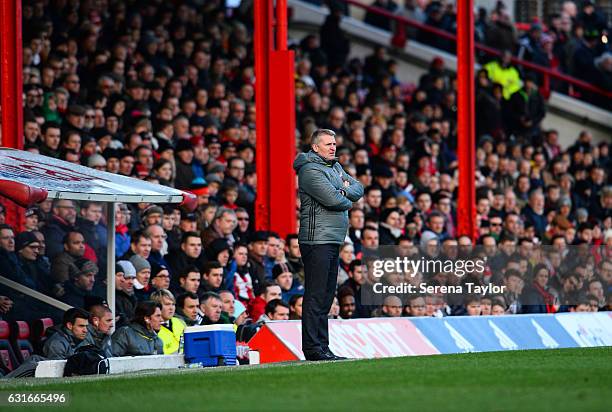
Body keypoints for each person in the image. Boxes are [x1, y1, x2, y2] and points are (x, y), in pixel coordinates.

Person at [293, 129, 364, 361]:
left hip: (333, 239)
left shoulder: (334, 166)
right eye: (328, 144)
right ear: (315, 147)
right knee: (316, 295)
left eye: (334, 143)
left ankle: (323, 347)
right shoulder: (309, 170)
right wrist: (344, 192)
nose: (333, 147)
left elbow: (359, 189)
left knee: (325, 296)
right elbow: (334, 200)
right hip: (316, 240)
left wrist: (343, 189)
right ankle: (313, 349)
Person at [150, 289, 185, 354]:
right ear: (157, 307)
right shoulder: (151, 329)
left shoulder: (180, 322)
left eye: (173, 304)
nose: (171, 308)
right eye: (167, 304)